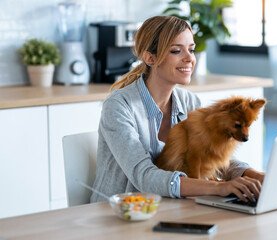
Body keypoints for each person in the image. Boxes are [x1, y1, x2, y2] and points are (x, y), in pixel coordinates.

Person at [90, 15, 265, 203]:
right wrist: (219, 187)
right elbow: (144, 177)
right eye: (176, 51)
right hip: (119, 213)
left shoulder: (189, 101)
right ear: (150, 58)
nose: (190, 58)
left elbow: (213, 155)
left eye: (191, 49)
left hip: (168, 207)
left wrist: (253, 175)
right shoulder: (118, 106)